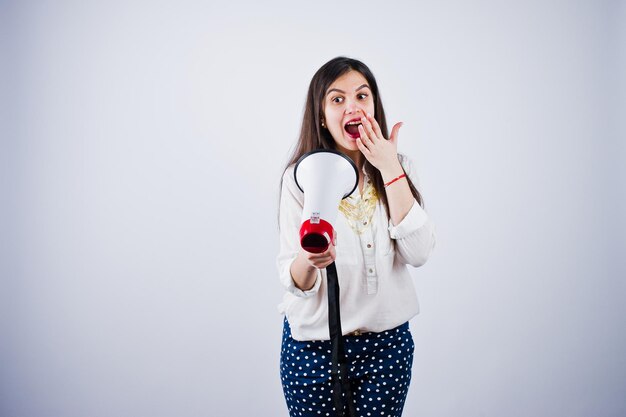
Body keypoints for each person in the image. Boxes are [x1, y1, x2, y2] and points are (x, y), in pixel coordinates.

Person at [277, 56, 436, 417]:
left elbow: (420, 252)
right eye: (337, 99)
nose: (353, 107)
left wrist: (389, 166)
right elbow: (296, 281)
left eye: (362, 96)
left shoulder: (399, 167)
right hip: (313, 351)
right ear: (321, 114)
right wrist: (311, 258)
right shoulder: (299, 178)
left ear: (375, 106)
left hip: (386, 348)